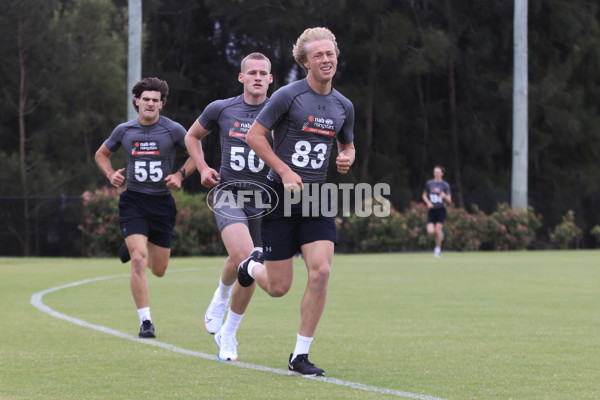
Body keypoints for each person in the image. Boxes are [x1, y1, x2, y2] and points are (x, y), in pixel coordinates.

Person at [237, 27, 355, 377]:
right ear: (305, 62)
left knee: (320, 271)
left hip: (317, 197)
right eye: (318, 55)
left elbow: (347, 144)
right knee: (278, 288)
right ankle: (250, 266)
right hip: (280, 196)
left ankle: (300, 356)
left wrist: (347, 156)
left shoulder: (344, 105)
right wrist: (285, 171)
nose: (326, 59)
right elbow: (254, 136)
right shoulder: (288, 96)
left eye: (330, 53)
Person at [184, 53, 273, 361]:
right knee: (243, 256)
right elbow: (192, 136)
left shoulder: (281, 113)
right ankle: (221, 302)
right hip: (228, 193)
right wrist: (203, 166)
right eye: (252, 72)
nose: (258, 77)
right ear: (241, 77)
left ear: (271, 79)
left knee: (252, 267)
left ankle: (228, 332)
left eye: (263, 73)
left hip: (265, 202)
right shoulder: (221, 108)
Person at [95, 77, 196, 338]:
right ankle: (146, 321)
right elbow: (101, 154)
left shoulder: (173, 130)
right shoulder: (124, 130)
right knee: (139, 261)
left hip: (162, 203)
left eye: (155, 100)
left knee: (159, 270)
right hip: (134, 201)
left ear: (161, 104)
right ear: (136, 102)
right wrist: (110, 175)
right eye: (146, 99)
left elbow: (197, 154)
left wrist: (179, 176)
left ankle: (134, 243)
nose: (150, 104)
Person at [422, 165, 452, 257]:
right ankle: (440, 234)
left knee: (437, 231)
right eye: (435, 172)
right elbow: (424, 195)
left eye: (438, 172)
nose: (436, 174)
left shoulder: (445, 185)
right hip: (432, 210)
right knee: (431, 231)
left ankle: (437, 250)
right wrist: (428, 202)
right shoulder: (429, 183)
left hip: (441, 210)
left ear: (442, 174)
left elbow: (450, 201)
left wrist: (445, 197)